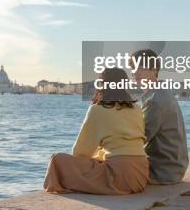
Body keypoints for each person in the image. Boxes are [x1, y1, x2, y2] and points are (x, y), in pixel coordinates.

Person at [43, 67, 149, 195]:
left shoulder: (97, 109)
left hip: (119, 177)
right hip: (141, 175)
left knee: (57, 160)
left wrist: (99, 156)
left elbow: (80, 152)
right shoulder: (136, 109)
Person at [132, 49, 189, 184]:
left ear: (154, 70)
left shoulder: (155, 100)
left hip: (161, 171)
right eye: (133, 67)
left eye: (140, 67)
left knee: (106, 170)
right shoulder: (162, 92)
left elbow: (141, 138)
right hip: (174, 167)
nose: (135, 72)